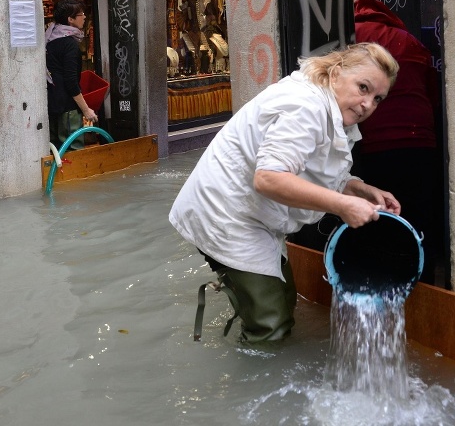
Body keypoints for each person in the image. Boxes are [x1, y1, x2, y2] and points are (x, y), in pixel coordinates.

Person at [170, 43, 401, 343]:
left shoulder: (332, 109)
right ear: (336, 74)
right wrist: (343, 206)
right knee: (271, 325)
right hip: (227, 215)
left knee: (284, 299)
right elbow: (269, 178)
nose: (367, 104)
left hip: (255, 215)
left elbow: (315, 172)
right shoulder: (305, 106)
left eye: (377, 98)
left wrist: (360, 189)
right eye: (363, 87)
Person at [352, 0, 444, 285]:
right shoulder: (409, 40)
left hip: (373, 142)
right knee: (416, 218)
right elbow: (433, 92)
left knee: (375, 215)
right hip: (420, 141)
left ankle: (377, 283)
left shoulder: (352, 37)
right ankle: (422, 284)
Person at [45, 0, 98, 151]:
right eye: (81, 14)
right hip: (66, 107)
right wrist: (86, 110)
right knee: (72, 149)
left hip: (52, 103)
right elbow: (71, 81)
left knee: (55, 150)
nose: (85, 17)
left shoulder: (50, 39)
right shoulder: (69, 45)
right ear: (70, 19)